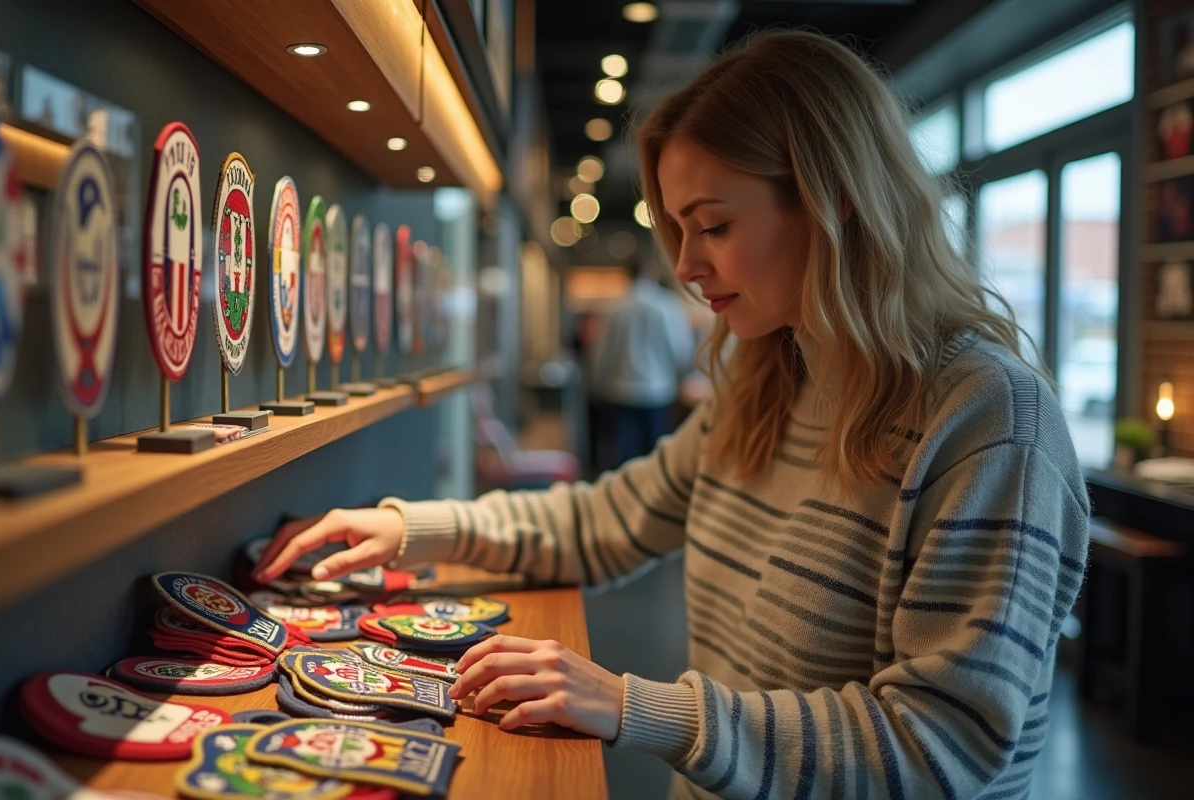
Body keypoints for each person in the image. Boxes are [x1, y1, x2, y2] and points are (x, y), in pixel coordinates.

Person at [255, 30, 1089, 800]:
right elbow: (608, 520)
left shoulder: (989, 419)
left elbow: (941, 745)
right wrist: (411, 529)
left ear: (833, 201)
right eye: (680, 232)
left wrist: (633, 706)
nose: (687, 264)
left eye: (714, 226)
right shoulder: (771, 379)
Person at [591, 257, 695, 465]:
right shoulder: (666, 305)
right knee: (657, 455)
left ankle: (624, 496)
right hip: (658, 390)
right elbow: (679, 348)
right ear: (650, 274)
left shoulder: (616, 308)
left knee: (626, 455)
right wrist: (682, 375)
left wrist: (598, 383)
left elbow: (604, 352)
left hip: (622, 390)